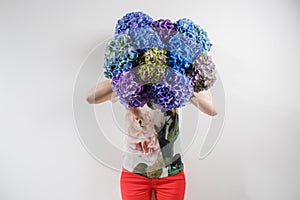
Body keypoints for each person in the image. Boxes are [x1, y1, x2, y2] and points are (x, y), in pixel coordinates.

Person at [86, 79, 217, 200]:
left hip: (171, 176)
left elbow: (212, 109)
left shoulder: (172, 82)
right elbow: (91, 98)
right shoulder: (130, 83)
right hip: (134, 175)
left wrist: (179, 77)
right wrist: (126, 75)